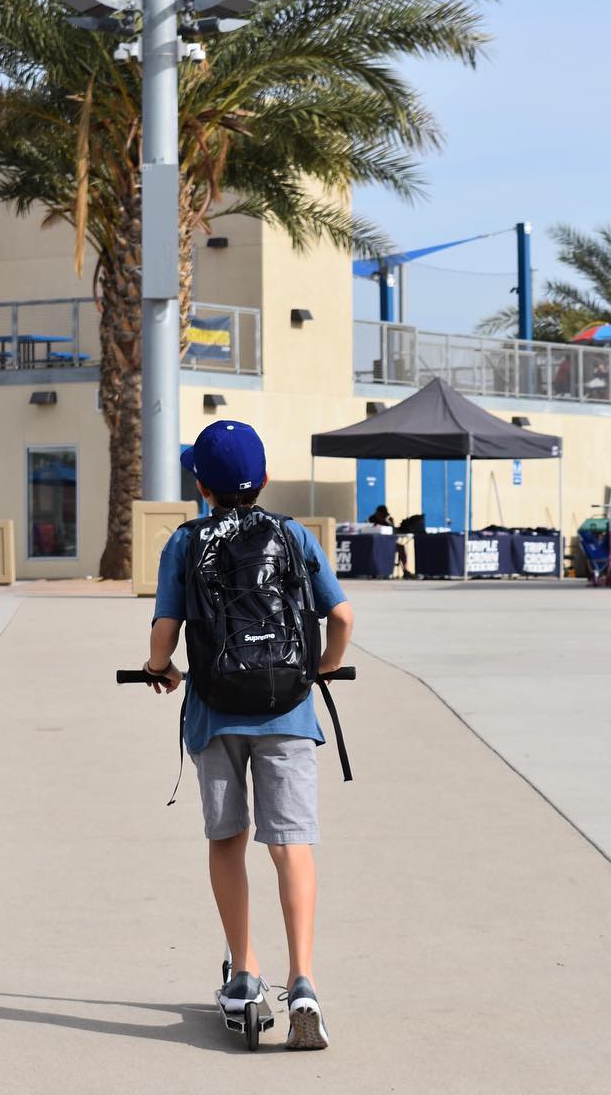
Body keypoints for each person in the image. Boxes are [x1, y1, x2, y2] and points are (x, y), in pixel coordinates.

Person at [147, 420, 354, 1050]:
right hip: (287, 713)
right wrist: (316, 671)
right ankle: (305, 985)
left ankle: (243, 975)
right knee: (291, 844)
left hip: (214, 714)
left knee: (227, 842)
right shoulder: (292, 535)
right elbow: (340, 615)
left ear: (200, 485)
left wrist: (163, 671)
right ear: (263, 479)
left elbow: (163, 636)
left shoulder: (186, 542)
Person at [367, 503, 412, 577]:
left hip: (388, 543)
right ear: (378, 514)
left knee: (401, 547)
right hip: (376, 544)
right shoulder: (371, 520)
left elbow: (395, 534)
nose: (382, 517)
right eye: (381, 515)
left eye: (384, 515)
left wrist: (390, 523)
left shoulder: (388, 521)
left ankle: (405, 569)